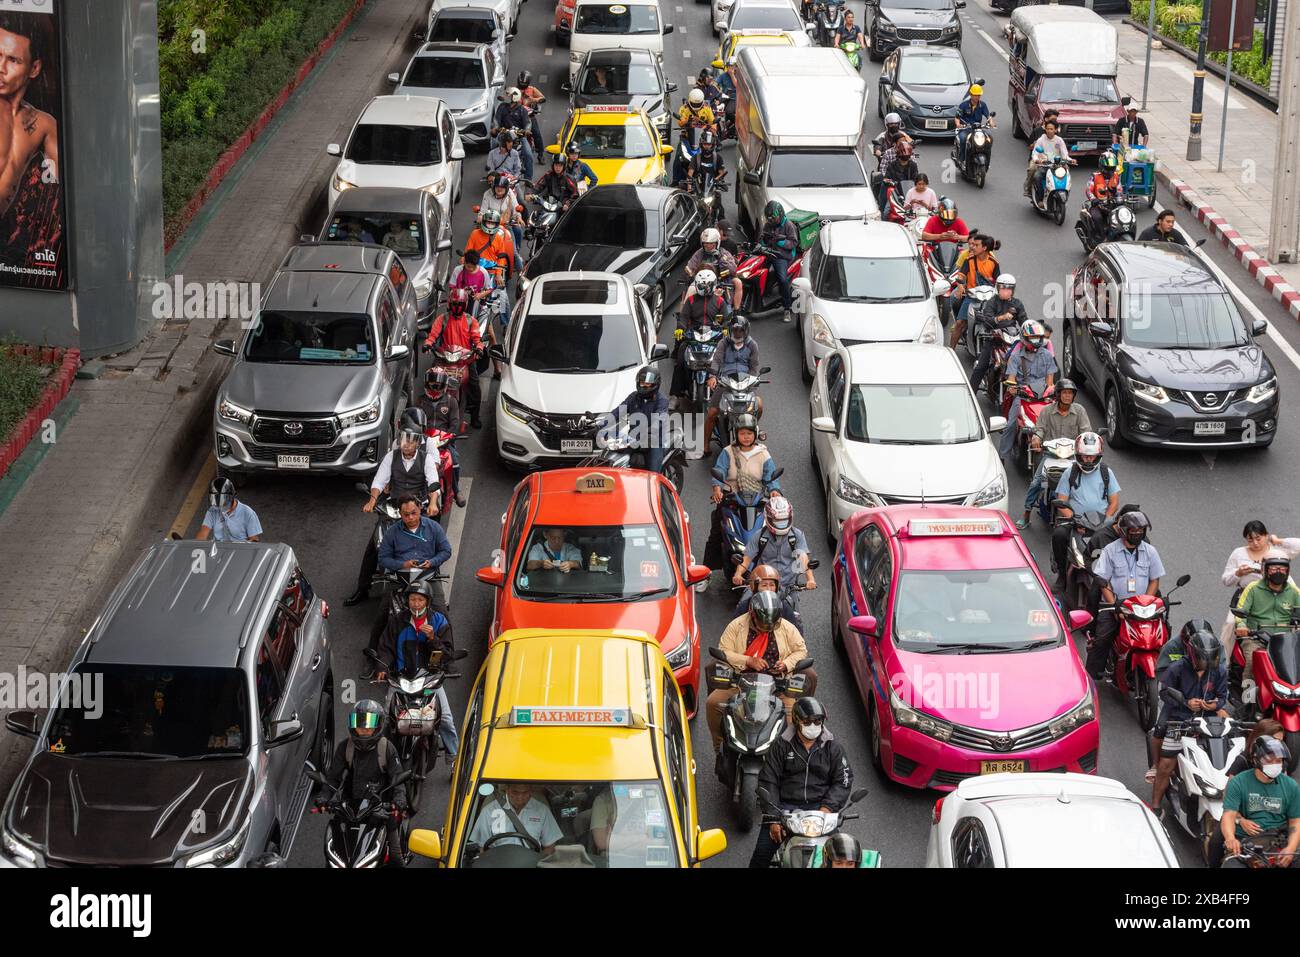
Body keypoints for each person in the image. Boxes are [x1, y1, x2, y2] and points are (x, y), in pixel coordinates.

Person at [346, 410, 443, 606]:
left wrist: (433, 502)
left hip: (419, 509)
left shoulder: (426, 458)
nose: (406, 444)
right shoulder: (392, 456)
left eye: (411, 440)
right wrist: (372, 500)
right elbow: (379, 480)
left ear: (418, 441)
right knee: (375, 546)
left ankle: (438, 595)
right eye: (404, 439)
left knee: (430, 548)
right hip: (394, 508)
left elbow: (433, 483)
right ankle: (362, 588)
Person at [706, 590, 818, 751]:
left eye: (771, 624)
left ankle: (786, 755)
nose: (767, 628)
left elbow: (801, 650)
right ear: (752, 615)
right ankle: (720, 747)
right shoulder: (736, 626)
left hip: (778, 685)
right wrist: (748, 660)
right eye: (762, 624)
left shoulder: (786, 627)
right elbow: (724, 651)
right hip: (741, 681)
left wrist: (786, 664)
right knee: (713, 703)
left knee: (791, 717)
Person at [752, 696, 852, 868]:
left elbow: (843, 780)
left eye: (817, 721)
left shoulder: (833, 748)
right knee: (761, 856)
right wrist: (774, 818)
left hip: (820, 810)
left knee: (839, 855)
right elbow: (769, 780)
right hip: (784, 809)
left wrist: (827, 809)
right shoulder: (781, 746)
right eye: (808, 722)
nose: (813, 725)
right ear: (797, 722)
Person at [374, 580, 458, 765]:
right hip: (402, 679)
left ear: (427, 601)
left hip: (430, 680)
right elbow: (386, 648)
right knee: (387, 718)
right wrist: (382, 668)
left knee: (445, 719)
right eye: (413, 599)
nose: (416, 604)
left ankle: (454, 758)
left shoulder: (439, 622)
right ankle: (381, 757)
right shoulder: (397, 621)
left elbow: (447, 654)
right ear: (408, 601)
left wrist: (432, 638)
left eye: (420, 600)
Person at [1150, 626, 1230, 817]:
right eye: (1203, 658)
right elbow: (1164, 693)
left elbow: (1222, 696)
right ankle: (1155, 805)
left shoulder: (1219, 671)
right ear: (1194, 655)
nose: (1207, 663)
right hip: (1179, 721)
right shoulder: (1177, 668)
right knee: (1166, 765)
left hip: (1208, 722)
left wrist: (1214, 705)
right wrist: (1186, 703)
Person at [322, 700, 409, 866]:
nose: (363, 729)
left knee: (396, 857)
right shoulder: (344, 747)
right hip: (350, 808)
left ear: (378, 726)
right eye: (359, 724)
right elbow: (333, 777)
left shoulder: (387, 748)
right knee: (334, 851)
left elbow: (398, 778)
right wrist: (324, 797)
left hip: (381, 809)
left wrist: (398, 800)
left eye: (368, 725)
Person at [701, 414, 781, 578]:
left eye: (749, 433)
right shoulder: (728, 452)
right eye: (742, 433)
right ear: (736, 434)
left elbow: (771, 476)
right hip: (731, 499)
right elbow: (720, 470)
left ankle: (777, 571)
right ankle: (704, 575)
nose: (746, 437)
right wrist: (717, 488)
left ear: (755, 434)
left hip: (756, 501)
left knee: (773, 533)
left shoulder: (763, 454)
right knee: (716, 533)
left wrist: (775, 491)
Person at [1087, 510, 1163, 679]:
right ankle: (1090, 678)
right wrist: (1114, 606)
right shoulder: (1110, 551)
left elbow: (1154, 580)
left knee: (1161, 635)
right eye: (1133, 531)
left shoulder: (1150, 551)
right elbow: (1104, 582)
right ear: (1123, 531)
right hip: (1115, 605)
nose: (1137, 534)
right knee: (1102, 639)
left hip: (1142, 608)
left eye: (1140, 531)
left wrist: (1147, 602)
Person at [0, 14, 59, 223]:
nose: (1, 68)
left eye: (13, 60)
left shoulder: (42, 124)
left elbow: (67, 185)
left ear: (34, 69)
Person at [1015, 376, 1090, 529]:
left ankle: (1085, 514)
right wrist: (1036, 438)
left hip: (1072, 455)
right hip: (1051, 454)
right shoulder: (1047, 411)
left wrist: (1088, 443)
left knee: (1084, 483)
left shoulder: (1080, 411)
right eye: (1065, 393)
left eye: (1070, 393)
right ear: (1058, 394)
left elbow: (1086, 432)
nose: (1068, 396)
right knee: (1036, 482)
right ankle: (1027, 513)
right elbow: (1040, 429)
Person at [1051, 431, 1120, 591]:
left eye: (1092, 456)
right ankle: (1062, 575)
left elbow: (1114, 502)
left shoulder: (1106, 472)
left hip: (1101, 522)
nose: (1088, 460)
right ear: (1078, 455)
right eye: (1085, 456)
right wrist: (1075, 520)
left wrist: (1106, 520)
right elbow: (1062, 502)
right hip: (1075, 521)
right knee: (1059, 535)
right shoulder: (1069, 473)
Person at [731, 497, 816, 624]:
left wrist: (810, 579)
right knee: (741, 614)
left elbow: (803, 558)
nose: (781, 524)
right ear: (768, 519)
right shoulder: (759, 536)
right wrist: (738, 574)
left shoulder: (797, 536)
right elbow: (746, 559)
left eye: (784, 521)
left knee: (796, 622)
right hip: (761, 585)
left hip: (787, 587)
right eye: (777, 521)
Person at [1232, 550, 1300, 704]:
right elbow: (1240, 612)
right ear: (1265, 570)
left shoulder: (1294, 592)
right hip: (1256, 637)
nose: (1278, 572)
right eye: (1274, 568)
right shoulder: (1253, 588)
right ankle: (1248, 702)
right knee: (1252, 662)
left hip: (1286, 641)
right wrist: (1242, 626)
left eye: (1282, 569)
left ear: (1287, 571)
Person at [1220, 522, 1300, 652]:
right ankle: (1224, 660)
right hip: (1250, 595)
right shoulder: (1238, 553)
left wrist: (1277, 540)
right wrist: (1238, 573)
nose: (1255, 543)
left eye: (1259, 538)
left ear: (1266, 536)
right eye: (1250, 540)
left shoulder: (1276, 551)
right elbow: (1226, 580)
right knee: (1231, 624)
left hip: (1280, 593)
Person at [1221, 737, 1300, 867]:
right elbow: (1229, 815)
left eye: (1278, 761)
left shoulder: (1291, 786)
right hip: (1246, 842)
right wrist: (1230, 839)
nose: (1274, 764)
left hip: (1278, 840)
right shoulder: (1238, 782)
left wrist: (1290, 849)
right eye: (1269, 760)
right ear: (1255, 760)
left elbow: (1296, 821)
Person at [423, 287, 486, 429]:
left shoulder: (471, 321)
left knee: (475, 387)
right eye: (455, 304)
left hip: (465, 360)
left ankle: (475, 416)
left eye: (460, 304)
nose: (457, 307)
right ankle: (426, 411)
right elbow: (432, 335)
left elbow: (477, 339)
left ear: (465, 305)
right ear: (450, 304)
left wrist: (479, 348)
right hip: (444, 358)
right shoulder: (442, 319)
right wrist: (428, 344)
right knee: (430, 380)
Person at [998, 318, 1057, 459]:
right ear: (1024, 339)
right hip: (1023, 396)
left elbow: (1050, 381)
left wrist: (1050, 392)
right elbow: (1011, 379)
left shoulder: (1047, 355)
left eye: (1038, 337)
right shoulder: (1015, 357)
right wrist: (1012, 388)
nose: (1036, 341)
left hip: (1043, 397)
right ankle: (1002, 457)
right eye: (1032, 338)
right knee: (1011, 425)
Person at [703, 315, 761, 455]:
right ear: (730, 330)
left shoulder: (752, 345)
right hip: (725, 382)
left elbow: (754, 366)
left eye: (740, 330)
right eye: (735, 330)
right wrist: (713, 377)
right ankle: (705, 444)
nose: (738, 333)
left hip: (745, 384)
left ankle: (753, 429)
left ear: (745, 331)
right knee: (712, 413)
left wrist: (752, 382)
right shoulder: (723, 343)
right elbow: (716, 361)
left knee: (758, 405)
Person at [672, 269, 732, 401]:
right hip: (693, 335)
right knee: (680, 359)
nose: (704, 289)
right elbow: (683, 317)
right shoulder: (691, 300)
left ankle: (730, 390)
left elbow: (727, 318)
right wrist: (680, 328)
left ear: (713, 285)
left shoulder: (720, 301)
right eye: (701, 286)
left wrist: (726, 328)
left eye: (707, 286)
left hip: (714, 336)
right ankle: (675, 395)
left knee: (728, 358)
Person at [969, 273, 1028, 394]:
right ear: (998, 288)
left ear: (1013, 290)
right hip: (993, 338)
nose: (1006, 291)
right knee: (981, 366)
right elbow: (987, 321)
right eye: (1003, 288)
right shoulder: (992, 302)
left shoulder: (1017, 303)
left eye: (1009, 288)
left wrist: (1029, 329)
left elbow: (1024, 321)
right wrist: (1001, 318)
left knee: (1026, 363)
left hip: (1011, 339)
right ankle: (970, 395)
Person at [467, 782, 563, 856]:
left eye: (525, 793)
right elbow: (481, 847)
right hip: (497, 861)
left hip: (531, 861)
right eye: (515, 792)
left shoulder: (542, 810)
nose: (520, 797)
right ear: (507, 790)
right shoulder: (489, 810)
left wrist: (537, 861)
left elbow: (550, 846)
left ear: (530, 791)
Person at [608, 366, 670, 474]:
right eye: (642, 383)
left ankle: (657, 483)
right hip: (633, 440)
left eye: (647, 384)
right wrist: (600, 425)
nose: (644, 386)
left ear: (655, 384)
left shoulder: (662, 400)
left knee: (652, 475)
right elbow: (618, 412)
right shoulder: (634, 397)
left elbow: (659, 418)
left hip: (653, 442)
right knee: (617, 466)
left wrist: (651, 430)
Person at [417, 368, 465, 507]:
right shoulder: (420, 401)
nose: (434, 388)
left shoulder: (451, 402)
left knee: (454, 461)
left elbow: (455, 424)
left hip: (444, 441)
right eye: (432, 385)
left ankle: (456, 491)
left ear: (444, 386)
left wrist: (449, 436)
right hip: (424, 440)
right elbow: (413, 419)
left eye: (437, 386)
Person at [946, 229, 997, 351]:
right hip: (972, 297)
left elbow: (998, 280)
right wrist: (960, 286)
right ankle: (951, 350)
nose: (972, 247)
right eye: (972, 245)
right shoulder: (968, 261)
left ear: (984, 248)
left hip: (989, 298)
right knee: (960, 324)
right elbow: (960, 276)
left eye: (976, 245)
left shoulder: (994, 263)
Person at [757, 200, 798, 323]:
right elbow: (762, 238)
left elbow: (793, 242)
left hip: (782, 256)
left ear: (780, 214)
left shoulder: (789, 225)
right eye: (769, 219)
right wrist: (763, 241)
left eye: (774, 218)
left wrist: (780, 242)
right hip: (768, 253)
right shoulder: (768, 225)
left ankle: (787, 308)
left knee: (783, 280)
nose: (771, 221)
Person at [684, 228, 742, 309]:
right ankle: (684, 313)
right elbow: (690, 266)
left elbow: (733, 270)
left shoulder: (724, 253)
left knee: (737, 283)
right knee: (690, 289)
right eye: (705, 243)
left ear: (717, 243)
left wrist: (720, 258)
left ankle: (736, 310)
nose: (708, 246)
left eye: (711, 243)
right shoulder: (699, 253)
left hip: (721, 281)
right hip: (701, 281)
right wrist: (690, 273)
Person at [464, 208, 515, 293]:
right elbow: (468, 251)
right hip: (474, 268)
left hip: (491, 271)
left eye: (492, 223)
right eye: (488, 222)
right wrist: (464, 259)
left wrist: (498, 274)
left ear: (497, 224)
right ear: (484, 222)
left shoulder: (498, 238)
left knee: (499, 294)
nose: (490, 225)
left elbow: (501, 258)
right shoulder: (475, 234)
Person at [196, 477, 263, 542]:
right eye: (216, 501)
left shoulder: (248, 513)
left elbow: (254, 540)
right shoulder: (213, 510)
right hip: (218, 548)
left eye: (223, 502)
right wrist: (198, 546)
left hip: (239, 548)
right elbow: (203, 533)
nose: (219, 507)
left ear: (232, 498)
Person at [480, 172, 525, 264]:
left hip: (507, 225)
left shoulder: (510, 193)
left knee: (514, 253)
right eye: (497, 187)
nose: (499, 189)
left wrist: (518, 217)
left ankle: (520, 270)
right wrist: (480, 217)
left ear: (506, 188)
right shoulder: (487, 194)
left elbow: (516, 207)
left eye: (502, 187)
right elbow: (482, 211)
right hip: (490, 224)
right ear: (493, 187)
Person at [1026, 117, 1074, 199]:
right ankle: (1040, 198)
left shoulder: (1059, 140)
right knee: (1037, 176)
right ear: (1045, 129)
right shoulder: (1041, 140)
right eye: (1047, 129)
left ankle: (1065, 193)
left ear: (1055, 130)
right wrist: (1037, 160)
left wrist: (1070, 160)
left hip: (1057, 166)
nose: (1049, 131)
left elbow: (1064, 154)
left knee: (1066, 174)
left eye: (1051, 129)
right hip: (1045, 165)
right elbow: (1035, 153)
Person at [492, 88, 535, 180]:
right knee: (493, 149)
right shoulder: (502, 107)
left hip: (519, 136)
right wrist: (495, 128)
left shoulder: (522, 110)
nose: (506, 96)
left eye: (509, 95)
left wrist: (527, 130)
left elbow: (527, 123)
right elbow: (496, 119)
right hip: (503, 134)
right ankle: (492, 174)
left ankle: (528, 179)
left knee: (528, 155)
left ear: (515, 97)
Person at [1083, 151, 1123, 241]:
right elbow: (1088, 190)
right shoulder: (1095, 176)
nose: (1110, 171)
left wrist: (1118, 195)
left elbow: (1120, 189)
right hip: (1098, 205)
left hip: (1113, 204)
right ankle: (1101, 237)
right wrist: (1093, 199)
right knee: (1097, 218)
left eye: (1112, 168)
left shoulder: (1116, 177)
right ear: (1102, 167)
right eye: (1108, 168)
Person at [954, 83, 993, 166]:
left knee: (989, 138)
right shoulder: (963, 105)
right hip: (966, 129)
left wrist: (991, 122)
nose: (977, 97)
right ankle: (962, 159)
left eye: (978, 95)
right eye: (975, 95)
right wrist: (958, 124)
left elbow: (988, 116)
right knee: (963, 139)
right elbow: (957, 117)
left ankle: (987, 160)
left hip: (978, 129)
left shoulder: (982, 105)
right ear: (971, 95)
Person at [878, 138, 918, 214]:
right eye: (903, 158)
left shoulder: (913, 165)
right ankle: (881, 210)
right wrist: (889, 181)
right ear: (898, 156)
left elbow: (915, 178)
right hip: (895, 194)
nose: (904, 161)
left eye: (906, 158)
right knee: (886, 213)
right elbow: (887, 177)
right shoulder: (892, 165)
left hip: (909, 193)